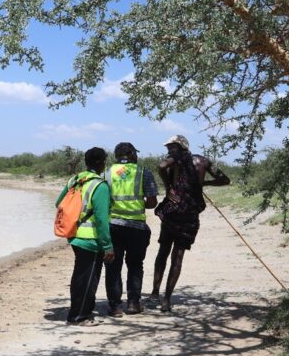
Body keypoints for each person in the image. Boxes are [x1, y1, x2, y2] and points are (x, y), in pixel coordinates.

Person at [150, 135, 230, 312]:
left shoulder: (176, 158)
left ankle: (155, 293)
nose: (169, 150)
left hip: (173, 211)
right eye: (168, 147)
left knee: (164, 251)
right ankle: (166, 300)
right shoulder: (203, 161)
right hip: (191, 214)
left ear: (180, 147)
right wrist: (200, 184)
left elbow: (161, 166)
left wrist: (169, 187)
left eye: (171, 147)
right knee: (177, 257)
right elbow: (224, 179)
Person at [55, 147, 115, 326]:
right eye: (104, 161)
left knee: (80, 276)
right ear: (101, 162)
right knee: (88, 279)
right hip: (91, 239)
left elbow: (59, 203)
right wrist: (107, 245)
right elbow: (102, 220)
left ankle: (78, 312)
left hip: (74, 235)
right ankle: (80, 316)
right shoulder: (99, 185)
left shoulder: (75, 179)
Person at [104, 142, 158, 316]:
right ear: (133, 154)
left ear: (116, 156)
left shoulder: (106, 173)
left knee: (113, 267)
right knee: (135, 265)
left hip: (112, 226)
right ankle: (134, 303)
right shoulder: (144, 173)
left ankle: (115, 307)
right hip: (137, 227)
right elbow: (152, 202)